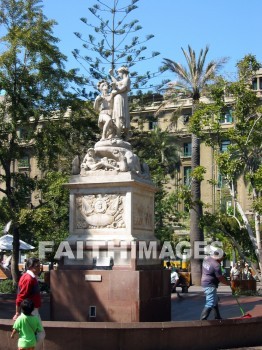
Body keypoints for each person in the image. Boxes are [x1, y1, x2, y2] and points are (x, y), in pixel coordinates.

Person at [13, 258, 46, 350]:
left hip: (32, 310)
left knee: (34, 333)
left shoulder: (30, 277)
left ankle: (28, 347)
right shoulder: (28, 279)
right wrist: (17, 313)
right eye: (37, 266)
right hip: (31, 311)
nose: (40, 268)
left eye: (40, 265)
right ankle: (29, 347)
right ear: (31, 267)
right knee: (40, 334)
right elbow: (20, 297)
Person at [200, 248, 230, 320]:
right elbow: (220, 278)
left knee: (215, 300)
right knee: (210, 302)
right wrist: (229, 283)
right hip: (210, 284)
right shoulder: (216, 265)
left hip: (204, 281)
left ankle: (217, 317)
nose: (222, 260)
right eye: (222, 258)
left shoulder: (206, 258)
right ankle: (202, 320)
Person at [109, 66, 131, 139]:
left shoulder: (127, 79)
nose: (118, 75)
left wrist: (114, 90)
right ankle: (118, 133)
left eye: (119, 73)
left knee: (120, 116)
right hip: (117, 99)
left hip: (121, 99)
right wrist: (111, 75)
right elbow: (117, 83)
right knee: (117, 116)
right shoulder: (123, 80)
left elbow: (122, 88)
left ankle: (119, 134)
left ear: (122, 72)